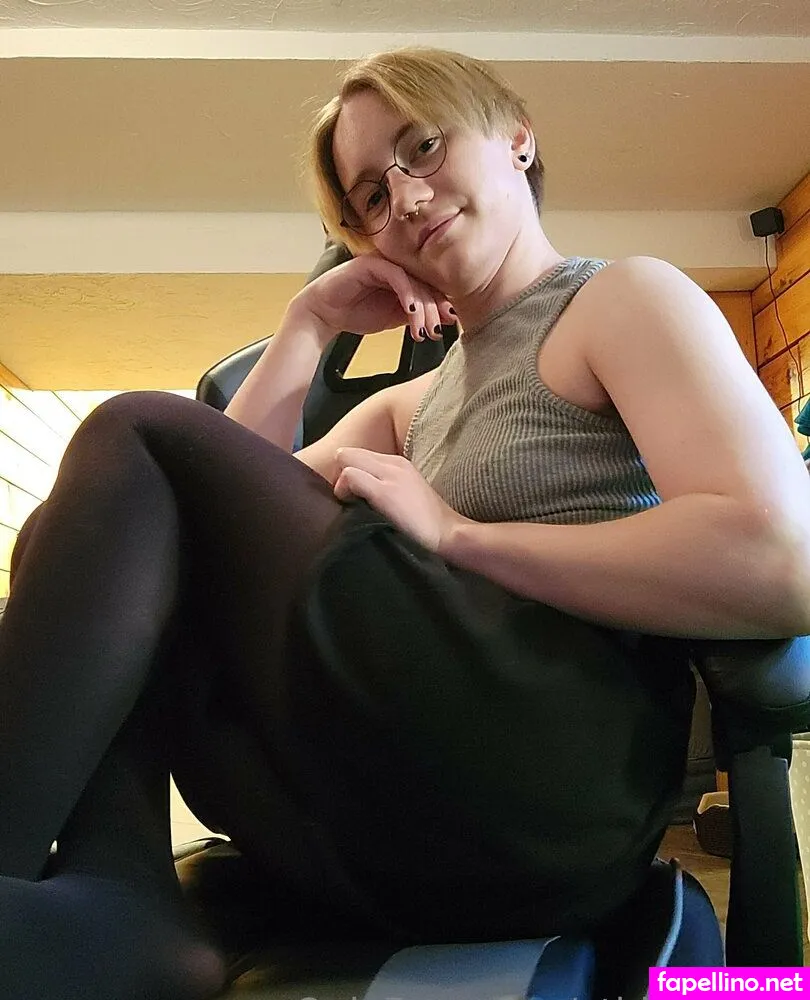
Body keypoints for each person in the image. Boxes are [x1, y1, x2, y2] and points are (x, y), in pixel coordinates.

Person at [1, 45, 809, 1000]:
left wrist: (461, 536)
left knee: (134, 425)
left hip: (557, 780)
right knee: (68, 531)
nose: (409, 200)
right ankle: (123, 893)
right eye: (372, 198)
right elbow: (178, 519)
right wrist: (308, 325)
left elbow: (781, 560)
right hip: (402, 805)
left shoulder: (618, 299)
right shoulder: (410, 407)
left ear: (517, 139)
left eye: (424, 146)